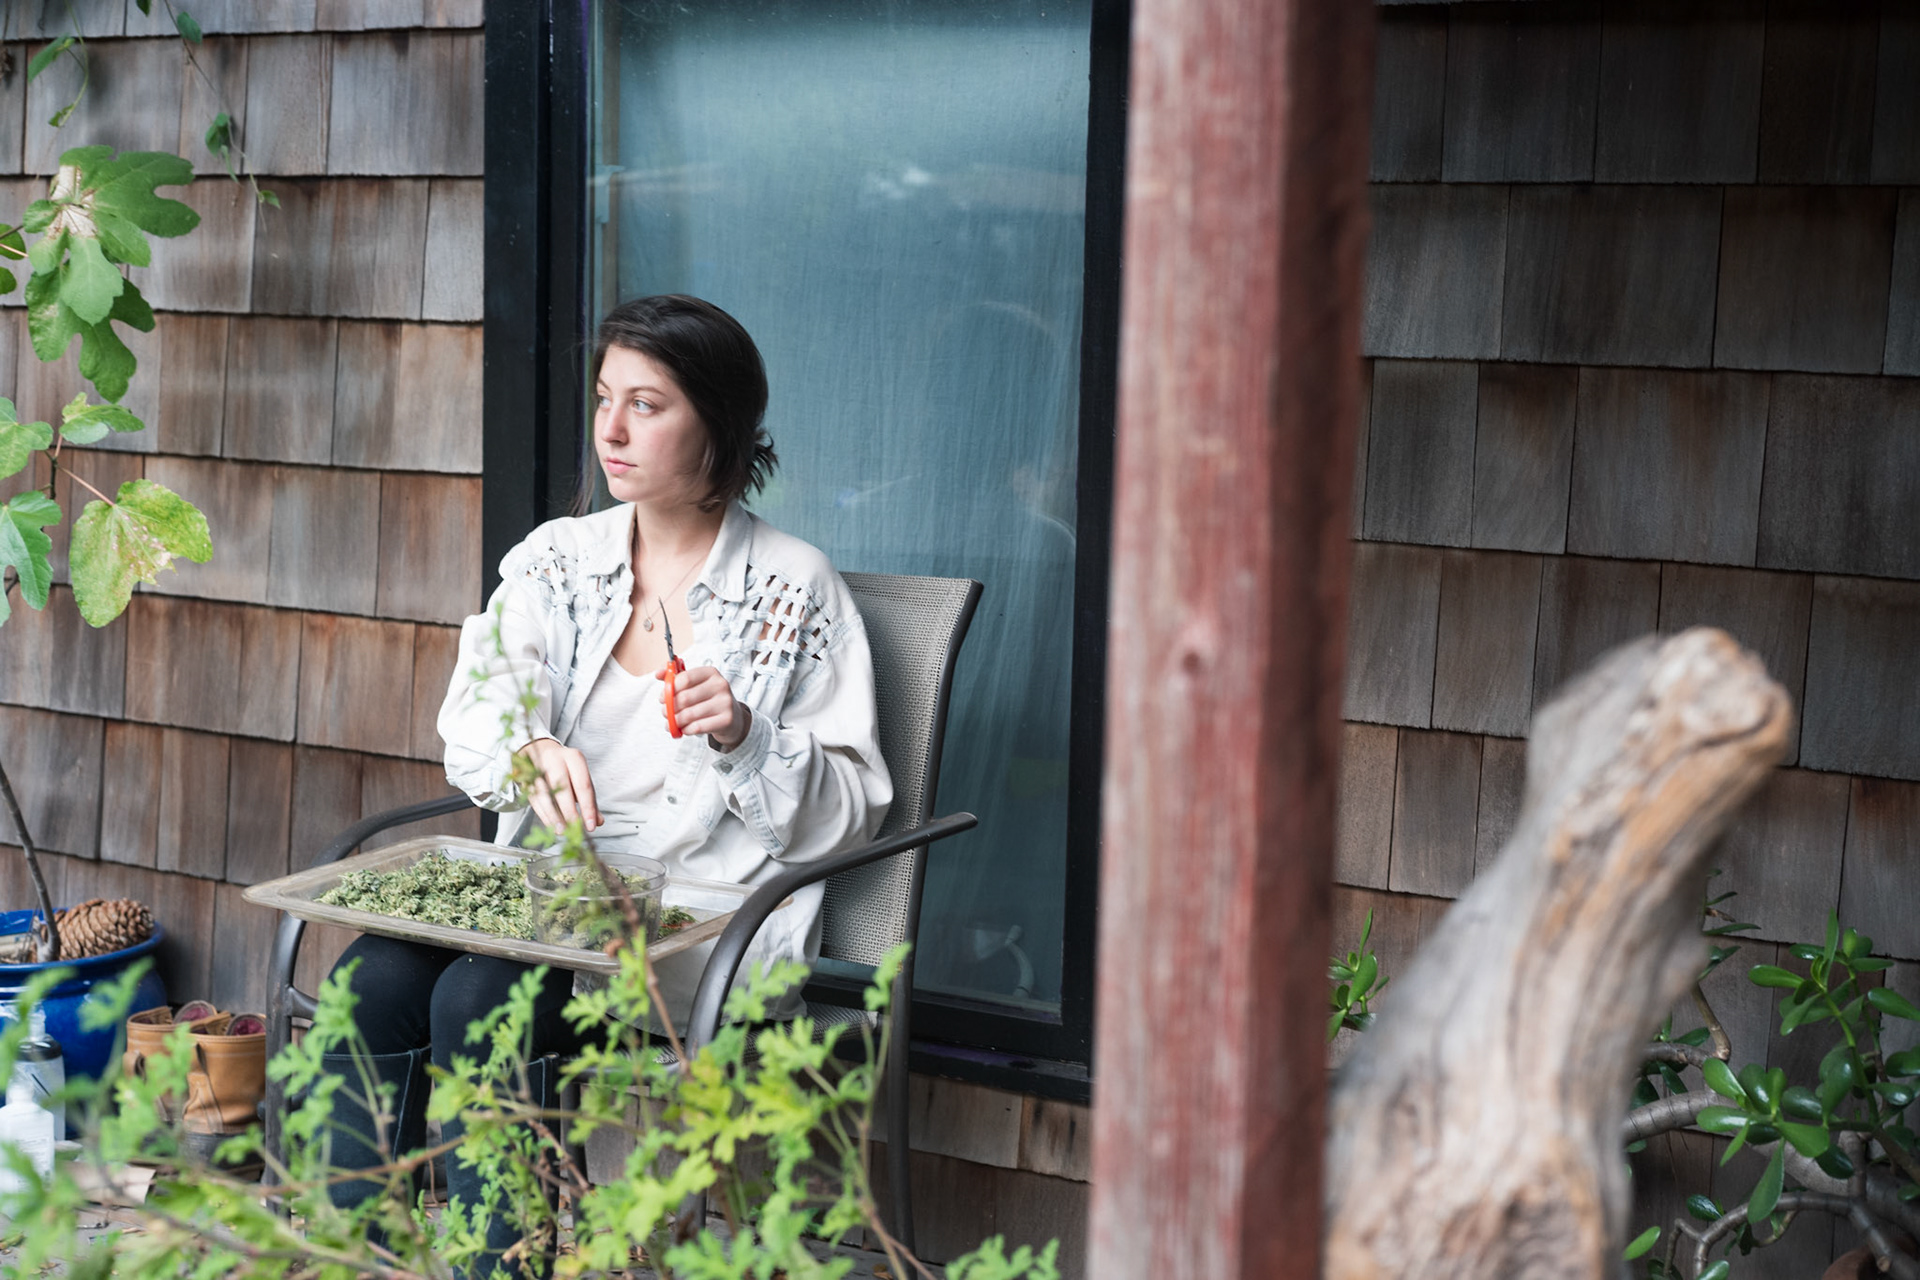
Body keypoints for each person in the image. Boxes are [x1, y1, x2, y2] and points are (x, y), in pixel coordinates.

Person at [319, 295, 892, 1274]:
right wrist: (530, 747)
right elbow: (481, 709)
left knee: (480, 1001)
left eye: (647, 405)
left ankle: (499, 1264)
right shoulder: (561, 560)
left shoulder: (792, 589)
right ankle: (355, 1253)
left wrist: (748, 736)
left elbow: (851, 814)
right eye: (603, 399)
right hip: (542, 905)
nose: (611, 430)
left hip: (695, 926)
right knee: (366, 982)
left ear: (718, 422)